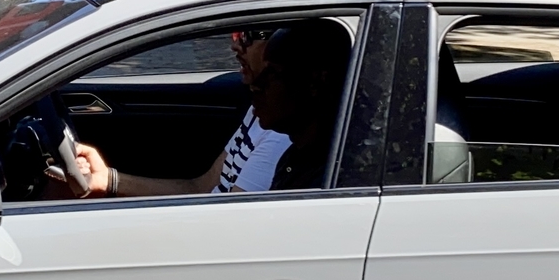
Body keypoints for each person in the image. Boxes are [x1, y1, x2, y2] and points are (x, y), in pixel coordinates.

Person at [52, 19, 351, 198]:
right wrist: (110, 180)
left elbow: (229, 224)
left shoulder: (280, 134)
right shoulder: (266, 114)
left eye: (244, 36)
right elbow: (203, 187)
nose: (235, 46)